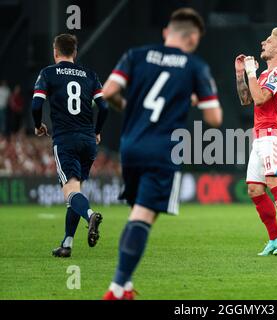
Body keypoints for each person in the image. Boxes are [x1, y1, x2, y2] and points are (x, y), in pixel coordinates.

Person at [101, 7, 222, 300]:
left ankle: (126, 286)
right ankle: (116, 289)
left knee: (137, 213)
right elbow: (215, 119)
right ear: (193, 38)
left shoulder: (136, 55)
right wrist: (192, 98)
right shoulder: (195, 67)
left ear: (167, 31)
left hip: (130, 147)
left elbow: (107, 92)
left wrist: (130, 108)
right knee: (143, 216)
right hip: (162, 150)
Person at [31, 34, 108, 257]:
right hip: (88, 141)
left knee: (71, 192)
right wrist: (97, 131)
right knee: (75, 192)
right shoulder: (90, 75)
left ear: (55, 52)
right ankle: (67, 244)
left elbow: (36, 104)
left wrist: (38, 125)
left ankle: (91, 214)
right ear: (74, 53)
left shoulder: (48, 73)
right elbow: (104, 108)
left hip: (65, 139)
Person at [235, 27, 277, 257]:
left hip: (273, 134)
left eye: (269, 41)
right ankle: (274, 238)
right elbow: (246, 99)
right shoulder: (263, 75)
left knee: (273, 181)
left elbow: (261, 99)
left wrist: (252, 74)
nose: (263, 42)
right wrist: (241, 73)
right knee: (254, 189)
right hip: (259, 136)